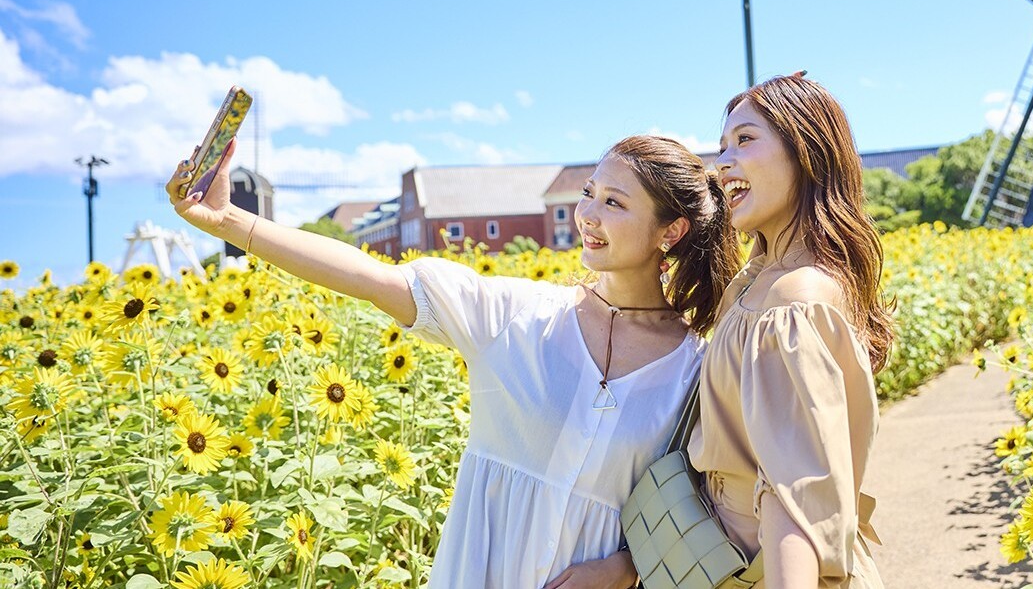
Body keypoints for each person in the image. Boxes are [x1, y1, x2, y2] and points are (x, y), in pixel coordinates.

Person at [168, 134, 739, 589]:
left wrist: (625, 566)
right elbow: (369, 278)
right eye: (588, 193)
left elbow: (712, 501)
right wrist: (231, 224)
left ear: (672, 230)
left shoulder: (696, 369)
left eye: (614, 203)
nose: (588, 213)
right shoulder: (515, 317)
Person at [690, 73, 893, 588]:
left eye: (745, 140)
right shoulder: (758, 280)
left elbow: (792, 493)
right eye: (721, 148)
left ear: (806, 151)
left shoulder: (793, 301)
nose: (722, 165)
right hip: (728, 562)